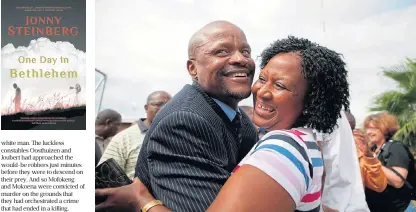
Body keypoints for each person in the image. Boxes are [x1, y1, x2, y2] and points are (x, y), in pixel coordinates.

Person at [96, 35, 350, 212]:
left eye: (280, 85)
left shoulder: (283, 148)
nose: (262, 91)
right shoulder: (304, 142)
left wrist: (141, 199)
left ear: (310, 102)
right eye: (263, 79)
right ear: (192, 68)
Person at [98, 91, 171, 179]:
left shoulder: (179, 135)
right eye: (158, 104)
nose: (164, 108)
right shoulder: (123, 138)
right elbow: (105, 176)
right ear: (146, 107)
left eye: (169, 104)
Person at [364, 112, 414, 212]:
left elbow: (397, 181)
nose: (368, 132)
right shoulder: (373, 150)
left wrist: (371, 160)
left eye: (374, 128)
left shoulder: (396, 148)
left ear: (385, 129)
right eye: (367, 128)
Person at [344, 111, 387, 193]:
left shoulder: (359, 152)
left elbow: (379, 185)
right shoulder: (319, 148)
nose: (369, 132)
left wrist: (368, 155)